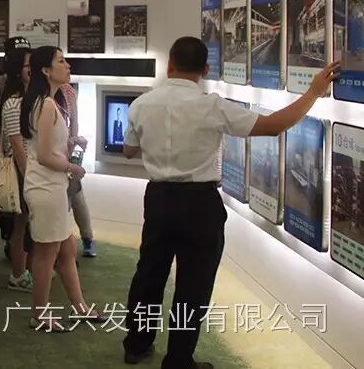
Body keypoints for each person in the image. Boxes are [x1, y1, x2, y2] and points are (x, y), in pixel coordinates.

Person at [122, 37, 339, 368]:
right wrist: (312, 92)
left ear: (169, 65)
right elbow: (272, 126)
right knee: (193, 286)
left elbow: (128, 151)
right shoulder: (213, 106)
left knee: (148, 274)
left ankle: (136, 345)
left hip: (159, 200)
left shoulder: (141, 104)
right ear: (206, 70)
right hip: (200, 204)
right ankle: (178, 360)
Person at [20, 45, 99, 332]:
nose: (68, 66)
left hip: (52, 186)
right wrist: (71, 167)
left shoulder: (46, 103)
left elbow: (48, 147)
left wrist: (71, 144)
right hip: (46, 187)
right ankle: (39, 314)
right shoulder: (46, 104)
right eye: (61, 61)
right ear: (45, 70)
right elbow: (43, 155)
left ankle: (80, 307)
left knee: (66, 250)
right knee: (47, 254)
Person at [0, 35, 31, 255]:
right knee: (9, 198)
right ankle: (10, 243)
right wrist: (0, 154)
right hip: (9, 154)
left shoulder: (31, 87)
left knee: (24, 212)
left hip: (23, 154)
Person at [0, 46, 35, 293]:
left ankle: (27, 270)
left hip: (33, 170)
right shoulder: (13, 103)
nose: (32, 69)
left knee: (28, 223)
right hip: (23, 171)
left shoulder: (34, 99)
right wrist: (29, 175)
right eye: (27, 65)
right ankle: (18, 274)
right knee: (21, 223)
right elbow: (16, 145)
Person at [59, 83, 98, 258]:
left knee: (75, 193)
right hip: (51, 153)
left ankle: (87, 238)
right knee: (66, 198)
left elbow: (74, 121)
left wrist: (73, 143)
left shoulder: (68, 91)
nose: (68, 70)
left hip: (66, 151)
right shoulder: (40, 91)